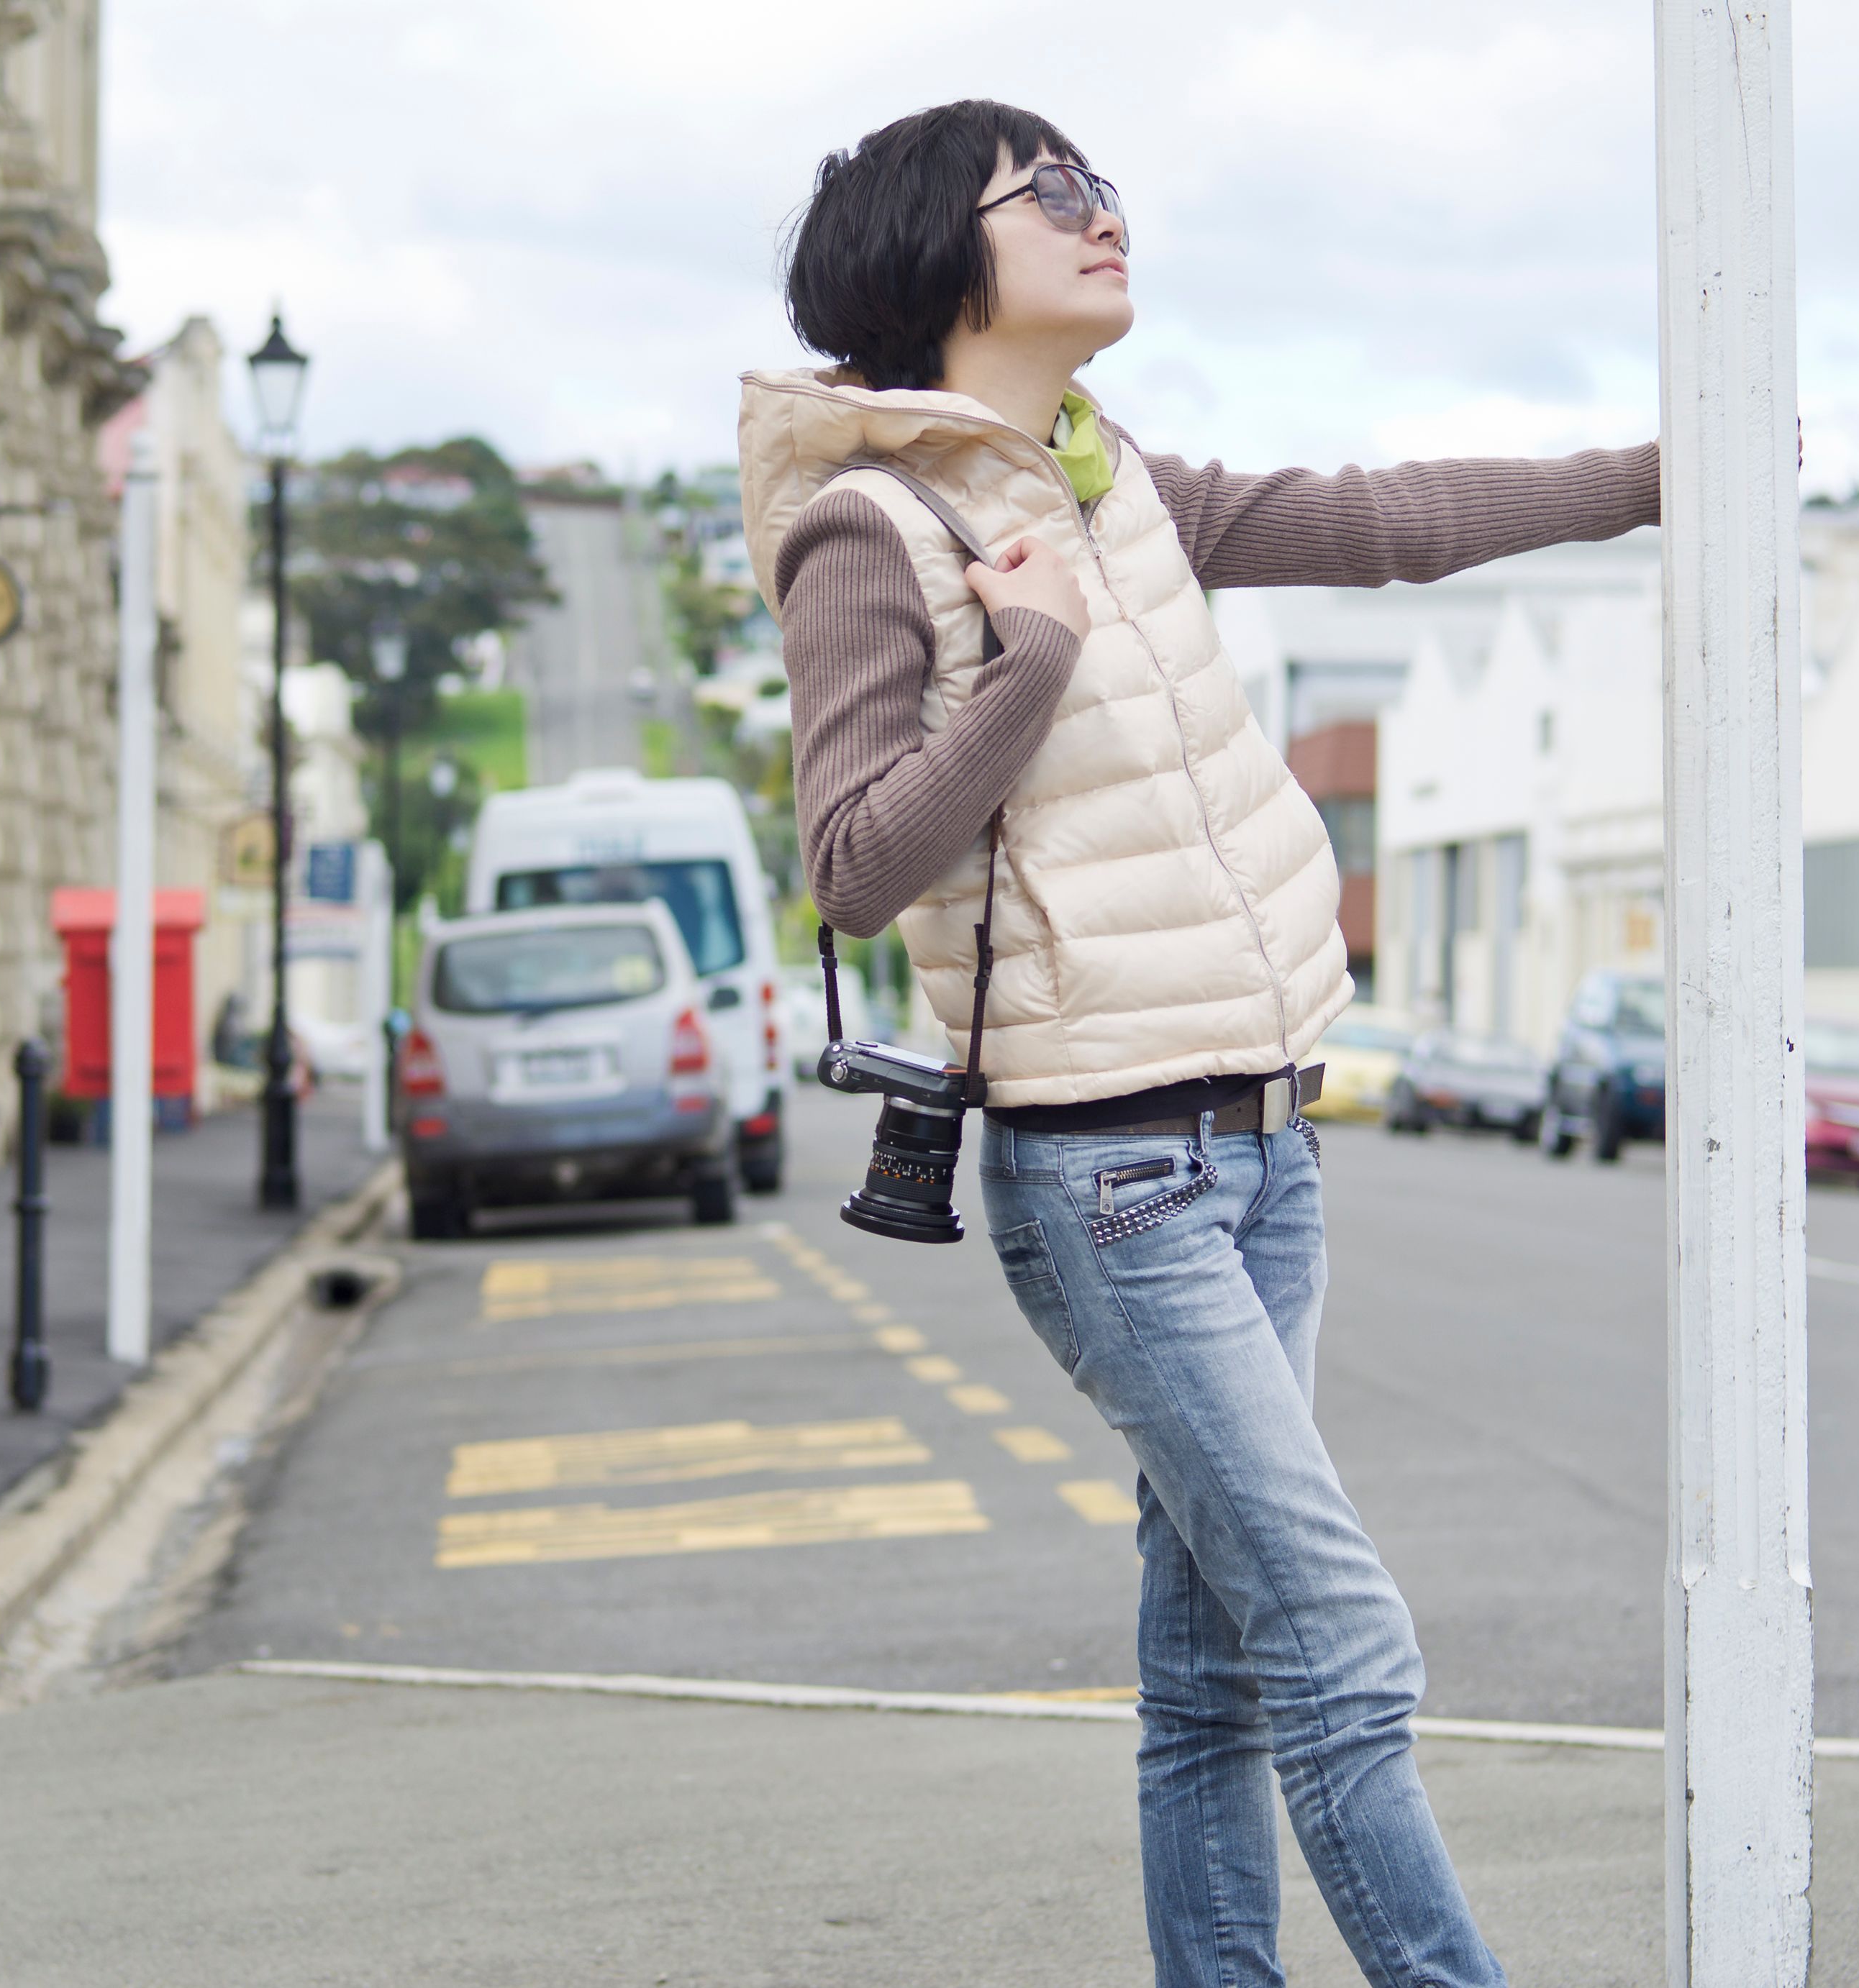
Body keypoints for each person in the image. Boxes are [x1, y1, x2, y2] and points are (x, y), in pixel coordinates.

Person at [739, 100, 1659, 1988]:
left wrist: (1658, 476)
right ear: (936, 254)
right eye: (1055, 192)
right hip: (1112, 1173)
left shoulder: (1112, 476)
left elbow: (1381, 521)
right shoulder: (871, 528)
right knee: (1343, 1639)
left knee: (1218, 1670)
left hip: (1265, 1142)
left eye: (1104, 184)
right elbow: (852, 868)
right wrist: (1033, 660)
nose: (1107, 216)